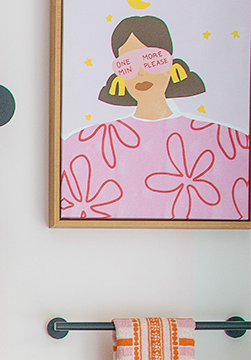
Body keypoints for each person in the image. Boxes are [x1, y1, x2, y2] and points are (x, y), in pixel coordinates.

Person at [60, 14, 249, 221]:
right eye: (127, 64)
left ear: (173, 65)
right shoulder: (85, 144)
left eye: (151, 60)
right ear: (119, 76)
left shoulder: (226, 140)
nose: (140, 72)